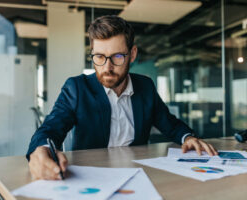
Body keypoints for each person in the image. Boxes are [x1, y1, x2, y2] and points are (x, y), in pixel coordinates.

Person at [27, 15, 218, 180]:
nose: (107, 67)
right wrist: (41, 149)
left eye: (117, 56)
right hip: (92, 176)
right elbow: (50, 128)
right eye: (99, 57)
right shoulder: (77, 88)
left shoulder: (145, 86)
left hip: (137, 174)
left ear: (132, 54)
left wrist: (188, 137)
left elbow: (170, 124)